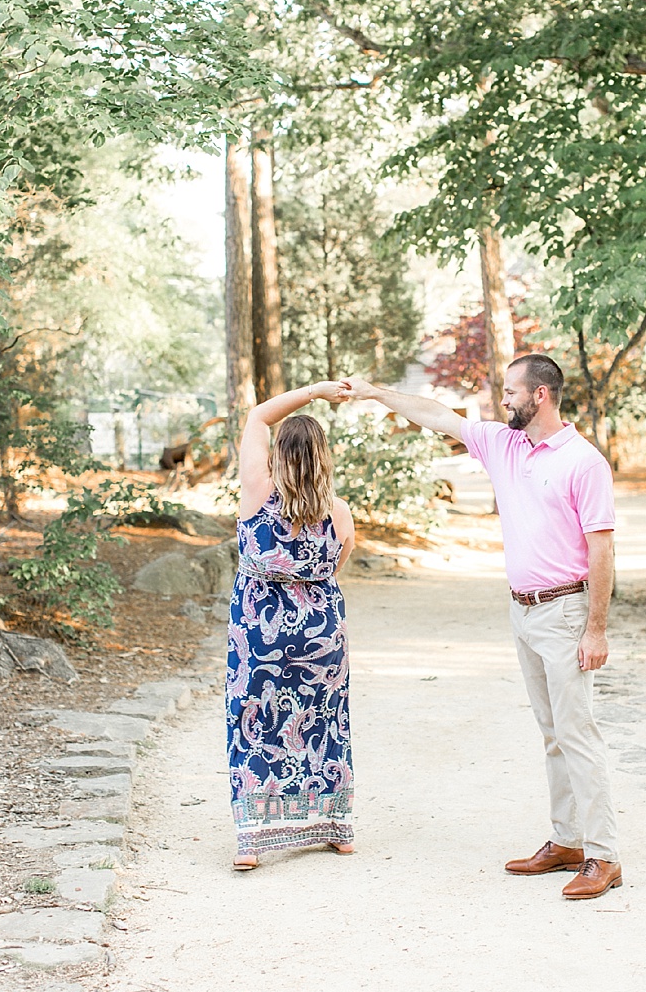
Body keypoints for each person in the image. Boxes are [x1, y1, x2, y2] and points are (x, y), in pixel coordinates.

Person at [342, 354, 623, 899]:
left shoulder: (584, 463)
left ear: (539, 395)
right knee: (552, 734)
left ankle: (604, 855)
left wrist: (596, 629)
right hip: (522, 611)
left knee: (577, 733)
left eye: (511, 391)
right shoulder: (503, 442)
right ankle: (567, 841)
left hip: (566, 612)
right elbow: (437, 415)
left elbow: (602, 548)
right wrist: (375, 392)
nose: (503, 399)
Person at [228, 383, 358, 871]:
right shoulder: (338, 511)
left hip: (259, 633)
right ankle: (335, 829)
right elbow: (340, 560)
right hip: (322, 629)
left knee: (254, 723)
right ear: (323, 459)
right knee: (325, 723)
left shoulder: (257, 493)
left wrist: (315, 392)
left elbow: (259, 416)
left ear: (277, 456)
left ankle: (253, 840)